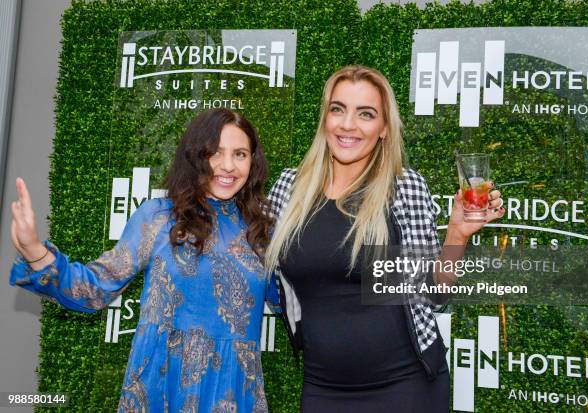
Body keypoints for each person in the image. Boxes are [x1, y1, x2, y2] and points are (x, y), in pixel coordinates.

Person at [265, 65, 504, 412]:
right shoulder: (288, 189)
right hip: (321, 388)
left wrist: (456, 235)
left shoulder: (404, 187)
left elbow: (435, 295)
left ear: (384, 129)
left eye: (366, 114)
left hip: (406, 386)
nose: (348, 124)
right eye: (338, 109)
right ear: (325, 119)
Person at [9, 108, 274, 412]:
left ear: (253, 162)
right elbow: (94, 289)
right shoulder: (159, 217)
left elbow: (294, 302)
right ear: (195, 156)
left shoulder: (261, 232)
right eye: (215, 152)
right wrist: (34, 251)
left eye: (240, 154)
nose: (227, 165)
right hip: (161, 388)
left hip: (235, 392)